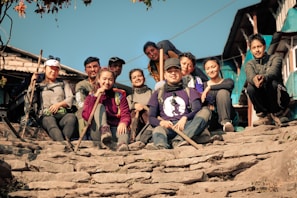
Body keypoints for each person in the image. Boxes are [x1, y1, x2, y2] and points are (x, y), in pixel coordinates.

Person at [146, 58, 210, 149]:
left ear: (181, 73)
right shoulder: (157, 93)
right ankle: (162, 148)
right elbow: (151, 118)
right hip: (169, 128)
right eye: (169, 71)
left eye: (176, 70)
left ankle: (179, 141)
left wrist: (185, 118)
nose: (173, 73)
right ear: (165, 74)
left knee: (205, 111)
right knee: (158, 129)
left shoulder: (189, 91)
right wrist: (161, 122)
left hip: (187, 126)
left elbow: (197, 109)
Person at [245, 33, 290, 126]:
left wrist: (264, 78)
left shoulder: (275, 58)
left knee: (272, 82)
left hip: (278, 96)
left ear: (264, 46)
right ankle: (264, 116)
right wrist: (255, 80)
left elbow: (274, 72)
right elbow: (250, 76)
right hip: (264, 98)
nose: (257, 50)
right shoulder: (249, 64)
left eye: (259, 46)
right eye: (254, 48)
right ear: (251, 50)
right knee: (250, 88)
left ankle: (278, 114)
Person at [28, 57, 77, 141]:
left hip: (62, 115)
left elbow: (70, 98)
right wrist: (32, 84)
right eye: (51, 68)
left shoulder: (63, 84)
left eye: (56, 70)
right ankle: (62, 143)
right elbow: (30, 100)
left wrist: (59, 104)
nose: (53, 71)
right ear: (44, 69)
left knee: (71, 117)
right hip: (46, 116)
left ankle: (66, 141)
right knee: (50, 120)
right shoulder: (38, 86)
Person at [82, 68, 131, 151]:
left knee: (123, 129)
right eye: (104, 79)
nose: (107, 82)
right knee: (99, 106)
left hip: (114, 129)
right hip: (98, 131)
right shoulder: (91, 96)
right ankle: (104, 131)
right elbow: (86, 116)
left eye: (110, 79)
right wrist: (96, 96)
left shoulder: (119, 95)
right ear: (99, 80)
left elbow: (125, 113)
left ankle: (122, 145)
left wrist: (123, 122)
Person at [201, 57, 238, 132]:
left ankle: (226, 123)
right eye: (207, 68)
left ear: (219, 67)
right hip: (212, 118)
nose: (211, 70)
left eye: (213, 67)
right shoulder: (203, 85)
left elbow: (229, 86)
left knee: (223, 92)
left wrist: (210, 87)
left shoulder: (227, 81)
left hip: (228, 116)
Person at [75, 57, 101, 139]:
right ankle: (84, 138)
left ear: (99, 68)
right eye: (89, 67)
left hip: (102, 111)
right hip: (86, 111)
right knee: (81, 111)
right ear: (85, 70)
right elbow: (80, 102)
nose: (93, 69)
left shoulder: (105, 82)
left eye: (95, 66)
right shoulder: (81, 85)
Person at [126, 68, 152, 144]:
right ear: (131, 82)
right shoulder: (130, 98)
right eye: (134, 77)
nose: (137, 78)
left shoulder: (152, 93)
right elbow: (126, 107)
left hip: (149, 123)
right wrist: (134, 105)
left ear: (144, 78)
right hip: (136, 125)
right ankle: (132, 138)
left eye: (139, 76)